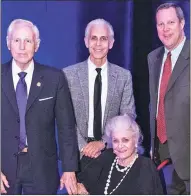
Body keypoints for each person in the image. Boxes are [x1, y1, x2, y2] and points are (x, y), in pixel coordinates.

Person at [1, 19, 79, 195]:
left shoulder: (54, 78)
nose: (22, 47)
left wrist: (69, 169)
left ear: (36, 45)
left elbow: (66, 127)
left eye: (28, 41)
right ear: (8, 43)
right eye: (17, 40)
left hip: (42, 168)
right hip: (3, 167)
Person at [63, 18, 136, 169]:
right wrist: (85, 147)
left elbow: (128, 115)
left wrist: (103, 143)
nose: (98, 44)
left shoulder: (123, 76)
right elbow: (64, 118)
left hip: (112, 154)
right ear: (86, 41)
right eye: (93, 38)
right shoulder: (68, 75)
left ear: (111, 43)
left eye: (103, 39)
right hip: (77, 155)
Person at [148, 3, 190, 194]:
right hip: (161, 155)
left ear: (182, 23)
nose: (165, 29)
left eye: (171, 22)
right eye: (160, 24)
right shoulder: (153, 58)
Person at [76, 115, 163, 195]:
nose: (120, 146)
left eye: (125, 140)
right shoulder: (107, 157)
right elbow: (82, 183)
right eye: (115, 141)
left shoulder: (145, 166)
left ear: (135, 140)